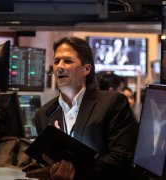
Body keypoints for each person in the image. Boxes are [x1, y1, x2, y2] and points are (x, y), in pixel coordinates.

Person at [25, 36, 138, 179]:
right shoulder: (43, 114)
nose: (59, 66)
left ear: (86, 68)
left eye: (67, 61)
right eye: (56, 61)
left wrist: (75, 171)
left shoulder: (112, 103)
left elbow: (121, 159)